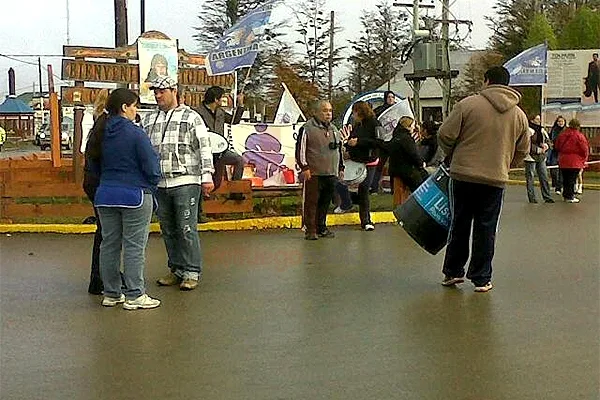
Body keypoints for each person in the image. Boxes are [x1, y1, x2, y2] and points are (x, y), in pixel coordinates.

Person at [437, 66, 530, 292]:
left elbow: (444, 135)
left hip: (463, 175)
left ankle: (453, 271)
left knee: (459, 224)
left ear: (487, 80)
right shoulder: (519, 115)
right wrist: (506, 164)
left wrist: (453, 153)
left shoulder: (468, 105)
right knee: (486, 228)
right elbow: (523, 149)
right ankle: (481, 278)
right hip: (495, 178)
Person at [86, 88, 162, 310]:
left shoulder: (100, 131)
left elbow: (92, 165)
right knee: (134, 246)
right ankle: (135, 294)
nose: (136, 110)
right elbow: (151, 165)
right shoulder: (135, 133)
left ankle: (111, 293)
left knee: (109, 245)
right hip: (134, 194)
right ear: (124, 107)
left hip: (105, 195)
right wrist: (151, 183)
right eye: (134, 105)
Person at [141, 76, 215, 291]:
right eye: (155, 91)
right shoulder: (149, 120)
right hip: (159, 183)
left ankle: (192, 271)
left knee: (185, 228)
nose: (158, 95)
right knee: (168, 229)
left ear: (174, 91)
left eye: (162, 91)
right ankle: (176, 268)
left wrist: (207, 175)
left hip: (186, 180)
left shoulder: (192, 117)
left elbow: (204, 147)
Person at [296, 100, 344, 240]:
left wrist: (340, 167)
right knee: (311, 202)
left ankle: (321, 227)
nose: (328, 114)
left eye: (330, 110)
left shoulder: (334, 129)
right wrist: (304, 167)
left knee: (325, 202)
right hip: (313, 172)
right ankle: (310, 229)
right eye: (324, 111)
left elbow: (339, 149)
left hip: (330, 172)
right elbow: (301, 149)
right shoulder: (307, 128)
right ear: (316, 113)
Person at [336, 101, 380, 231]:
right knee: (342, 183)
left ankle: (366, 220)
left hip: (370, 161)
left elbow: (379, 141)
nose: (353, 115)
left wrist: (359, 142)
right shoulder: (357, 125)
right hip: (356, 160)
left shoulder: (375, 124)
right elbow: (351, 139)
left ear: (359, 112)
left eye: (354, 112)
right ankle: (349, 202)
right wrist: (348, 149)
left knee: (364, 188)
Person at [83, 88, 110, 295]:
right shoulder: (107, 124)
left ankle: (97, 277)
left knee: (103, 230)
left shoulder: (95, 122)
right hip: (103, 182)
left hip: (92, 181)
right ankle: (101, 277)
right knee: (107, 232)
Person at [195, 86, 245, 191]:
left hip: (220, 151)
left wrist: (240, 104)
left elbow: (234, 120)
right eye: (222, 97)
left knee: (238, 160)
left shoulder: (220, 112)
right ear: (215, 99)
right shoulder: (197, 113)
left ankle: (235, 190)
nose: (224, 100)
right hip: (204, 152)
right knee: (207, 181)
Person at [378, 116, 429, 208]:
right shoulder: (406, 139)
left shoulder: (396, 137)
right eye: (413, 125)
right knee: (422, 189)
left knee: (399, 196)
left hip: (396, 170)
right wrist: (421, 163)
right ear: (408, 126)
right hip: (408, 171)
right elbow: (413, 154)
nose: (414, 128)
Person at [554, 119, 589, 203]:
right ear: (578, 126)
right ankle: (570, 196)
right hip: (575, 161)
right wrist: (584, 159)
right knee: (572, 179)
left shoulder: (562, 134)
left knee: (565, 179)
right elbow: (584, 149)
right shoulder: (579, 136)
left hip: (563, 159)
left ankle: (566, 195)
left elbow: (557, 146)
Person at [370, 90, 397, 194]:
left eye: (393, 97)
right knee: (379, 166)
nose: (391, 99)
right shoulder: (379, 110)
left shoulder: (396, 110)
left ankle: (393, 189)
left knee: (394, 167)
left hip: (393, 142)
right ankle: (374, 188)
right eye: (389, 97)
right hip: (383, 143)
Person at [525, 115, 554, 204]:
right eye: (537, 119)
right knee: (530, 177)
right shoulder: (529, 130)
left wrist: (546, 146)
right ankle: (532, 197)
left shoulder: (542, 130)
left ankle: (547, 196)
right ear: (532, 120)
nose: (539, 121)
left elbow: (548, 140)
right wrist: (537, 149)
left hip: (541, 156)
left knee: (544, 176)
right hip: (530, 157)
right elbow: (526, 143)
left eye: (539, 119)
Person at [546, 115, 566, 194]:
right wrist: (550, 143)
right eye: (559, 121)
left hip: (562, 152)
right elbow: (550, 139)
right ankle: (555, 183)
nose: (560, 123)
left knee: (561, 170)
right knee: (553, 168)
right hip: (554, 151)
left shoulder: (566, 131)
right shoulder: (554, 130)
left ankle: (559, 187)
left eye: (562, 121)